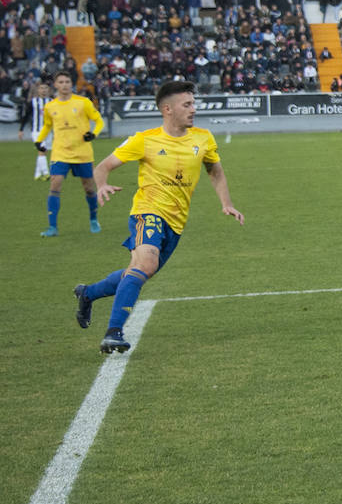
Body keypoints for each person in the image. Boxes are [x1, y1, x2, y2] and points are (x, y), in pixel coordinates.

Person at [73, 80, 244, 354]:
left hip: (176, 222)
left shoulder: (203, 138)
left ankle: (88, 293)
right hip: (148, 212)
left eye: (193, 103)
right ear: (168, 109)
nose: (193, 109)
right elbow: (103, 166)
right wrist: (102, 184)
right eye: (186, 104)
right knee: (145, 263)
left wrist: (227, 203)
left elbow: (215, 171)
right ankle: (114, 331)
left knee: (140, 271)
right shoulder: (145, 139)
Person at [35, 72, 105, 236]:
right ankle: (52, 227)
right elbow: (47, 125)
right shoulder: (50, 106)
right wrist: (39, 140)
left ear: (71, 84)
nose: (65, 84)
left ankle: (93, 219)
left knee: (88, 188)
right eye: (61, 82)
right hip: (60, 153)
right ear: (56, 85)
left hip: (82, 153)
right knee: (55, 185)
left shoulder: (83, 102)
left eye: (67, 81)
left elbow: (99, 120)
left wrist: (94, 134)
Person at [26, 81, 51, 180]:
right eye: (41, 88)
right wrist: (21, 129)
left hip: (49, 131)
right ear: (38, 90)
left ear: (48, 90)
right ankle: (46, 173)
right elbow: (26, 115)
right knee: (42, 150)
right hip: (36, 131)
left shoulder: (52, 101)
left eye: (45, 88)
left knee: (43, 152)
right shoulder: (33, 102)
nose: (43, 90)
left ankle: (37, 174)